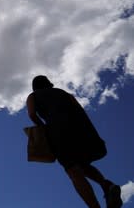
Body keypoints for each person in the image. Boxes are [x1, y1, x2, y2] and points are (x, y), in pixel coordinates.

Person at [26, 75, 123, 208]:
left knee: (73, 171)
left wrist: (43, 128)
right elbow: (80, 110)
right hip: (80, 130)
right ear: (49, 83)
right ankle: (107, 185)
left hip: (58, 133)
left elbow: (31, 114)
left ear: (34, 87)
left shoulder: (33, 96)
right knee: (82, 164)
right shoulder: (64, 93)